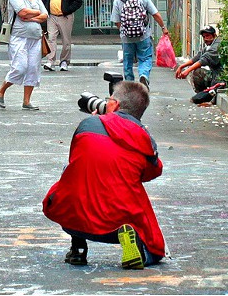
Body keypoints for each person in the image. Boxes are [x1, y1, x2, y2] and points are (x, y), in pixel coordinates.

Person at [43, 81, 167, 269]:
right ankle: (137, 248)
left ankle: (78, 248)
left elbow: (76, 160)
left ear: (115, 105)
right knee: (155, 251)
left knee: (72, 175)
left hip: (74, 216)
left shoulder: (88, 124)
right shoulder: (143, 136)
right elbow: (152, 172)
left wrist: (96, 122)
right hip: (120, 220)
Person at [0, 0, 48, 110]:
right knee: (20, 67)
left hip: (35, 37)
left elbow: (45, 15)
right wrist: (36, 13)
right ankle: (0, 91)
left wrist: (33, 17)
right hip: (19, 37)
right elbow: (22, 12)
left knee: (33, 69)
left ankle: (26, 101)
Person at [111, 0, 169, 91]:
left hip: (127, 37)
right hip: (143, 35)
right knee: (145, 58)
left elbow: (116, 21)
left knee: (128, 61)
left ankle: (129, 86)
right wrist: (163, 28)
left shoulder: (118, 0)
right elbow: (155, 14)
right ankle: (144, 75)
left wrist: (124, 31)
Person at [41, 0, 82, 72]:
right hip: (52, 16)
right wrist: (46, 9)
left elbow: (78, 1)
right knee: (51, 38)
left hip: (65, 17)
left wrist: (67, 10)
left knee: (66, 40)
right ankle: (50, 61)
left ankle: (64, 61)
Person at [175, 25, 223, 97]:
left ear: (214, 35)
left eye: (208, 36)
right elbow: (197, 58)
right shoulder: (209, 47)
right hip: (215, 75)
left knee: (198, 73)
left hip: (221, 78)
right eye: (204, 37)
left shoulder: (217, 46)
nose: (206, 39)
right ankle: (203, 94)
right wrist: (181, 66)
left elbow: (204, 60)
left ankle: (205, 96)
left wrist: (187, 71)